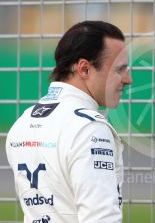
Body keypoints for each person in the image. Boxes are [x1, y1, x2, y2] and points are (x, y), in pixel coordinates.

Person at [6, 21, 132, 222]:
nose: (128, 79)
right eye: (120, 69)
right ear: (84, 69)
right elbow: (101, 218)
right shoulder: (90, 128)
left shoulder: (23, 122)